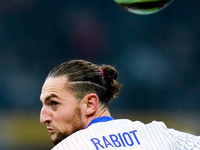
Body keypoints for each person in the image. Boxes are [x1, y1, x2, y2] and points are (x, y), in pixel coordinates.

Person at [40, 59, 200, 150]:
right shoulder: (159, 133)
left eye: (54, 103)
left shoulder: (71, 148)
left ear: (89, 104)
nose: (43, 117)